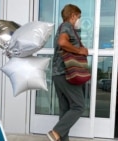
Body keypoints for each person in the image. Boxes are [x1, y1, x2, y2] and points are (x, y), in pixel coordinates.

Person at [47, 4, 88, 141]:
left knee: (65, 110)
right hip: (67, 74)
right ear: (73, 15)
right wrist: (80, 51)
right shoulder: (67, 26)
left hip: (58, 74)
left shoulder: (62, 28)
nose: (79, 20)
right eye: (79, 17)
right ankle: (56, 132)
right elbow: (63, 42)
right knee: (78, 106)